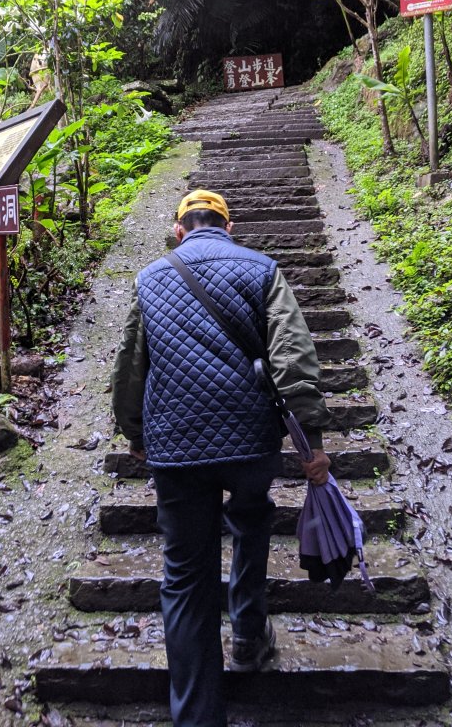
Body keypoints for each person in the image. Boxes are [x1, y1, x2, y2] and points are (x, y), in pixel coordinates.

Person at [110, 189, 332, 727]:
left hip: (177, 445)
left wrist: (134, 431)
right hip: (252, 441)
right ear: (228, 229)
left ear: (180, 231)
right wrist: (313, 442)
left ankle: (197, 716)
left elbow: (130, 364)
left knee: (185, 576)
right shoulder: (262, 270)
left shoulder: (152, 277)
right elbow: (294, 358)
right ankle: (249, 636)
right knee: (252, 521)